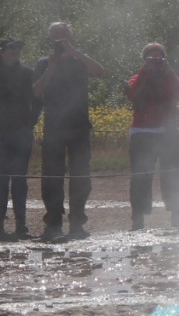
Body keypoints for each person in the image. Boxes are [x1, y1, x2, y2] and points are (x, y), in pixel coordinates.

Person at [34, 22, 106, 238]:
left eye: (64, 36)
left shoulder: (79, 60)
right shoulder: (44, 62)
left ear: (71, 38)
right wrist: (52, 67)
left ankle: (77, 222)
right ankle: (53, 222)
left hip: (79, 125)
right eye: (56, 37)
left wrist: (76, 53)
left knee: (81, 175)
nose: (60, 40)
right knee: (52, 176)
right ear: (50, 39)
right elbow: (37, 92)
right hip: (54, 126)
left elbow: (100, 71)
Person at [124, 42, 179, 229]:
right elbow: (133, 94)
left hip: (169, 132)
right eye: (151, 59)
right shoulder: (136, 77)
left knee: (171, 175)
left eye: (160, 59)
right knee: (140, 176)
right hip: (143, 132)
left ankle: (176, 213)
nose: (156, 62)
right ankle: (138, 217)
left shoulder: (169, 77)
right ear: (144, 61)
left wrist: (168, 71)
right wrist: (145, 71)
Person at [0, 39, 39, 238]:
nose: (16, 52)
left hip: (20, 131)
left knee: (19, 179)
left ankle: (21, 226)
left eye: (18, 48)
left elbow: (36, 99)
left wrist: (31, 121)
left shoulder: (27, 73)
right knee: (1, 179)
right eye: (12, 48)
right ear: (3, 51)